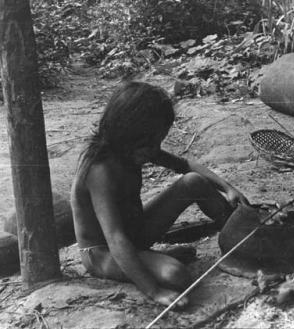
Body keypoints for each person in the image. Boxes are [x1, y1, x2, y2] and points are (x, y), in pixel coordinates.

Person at [70, 81, 249, 308]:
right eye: (151, 142)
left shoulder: (134, 148)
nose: (155, 149)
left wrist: (228, 188)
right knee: (175, 275)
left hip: (134, 233)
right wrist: (153, 291)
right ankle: (152, 261)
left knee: (193, 182)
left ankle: (241, 237)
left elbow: (185, 165)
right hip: (103, 253)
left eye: (158, 142)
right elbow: (115, 238)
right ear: (129, 134)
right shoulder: (100, 169)